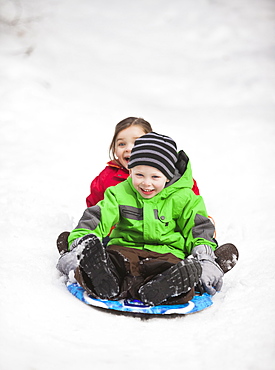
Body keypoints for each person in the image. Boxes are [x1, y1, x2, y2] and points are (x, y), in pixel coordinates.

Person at [57, 132, 226, 306]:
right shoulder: (119, 193)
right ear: (130, 170)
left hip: (166, 255)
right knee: (112, 260)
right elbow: (98, 217)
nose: (146, 183)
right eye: (139, 175)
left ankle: (163, 288)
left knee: (178, 273)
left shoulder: (185, 198)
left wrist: (205, 257)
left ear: (168, 176)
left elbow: (198, 228)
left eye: (155, 177)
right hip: (125, 250)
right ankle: (105, 281)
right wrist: (81, 241)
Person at [57, 117, 200, 254]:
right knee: (107, 251)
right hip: (119, 237)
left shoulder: (176, 182)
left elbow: (190, 210)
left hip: (165, 238)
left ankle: (204, 259)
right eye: (121, 144)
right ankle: (81, 251)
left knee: (188, 245)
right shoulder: (107, 179)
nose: (128, 149)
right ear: (113, 148)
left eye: (136, 143)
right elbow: (96, 208)